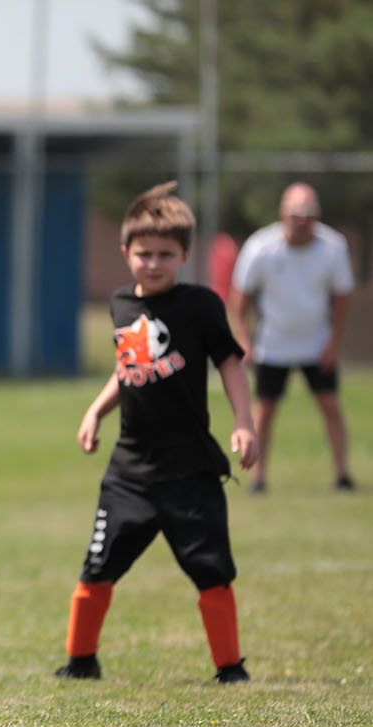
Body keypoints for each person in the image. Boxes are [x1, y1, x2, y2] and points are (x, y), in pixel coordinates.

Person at [55, 181, 258, 685]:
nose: (153, 262)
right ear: (125, 252)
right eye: (144, 253)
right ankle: (81, 661)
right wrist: (95, 411)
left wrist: (245, 422)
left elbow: (231, 363)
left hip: (190, 470)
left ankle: (230, 669)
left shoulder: (201, 306)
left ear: (185, 255)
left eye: (166, 254)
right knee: (97, 567)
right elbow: (129, 367)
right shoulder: (122, 304)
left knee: (211, 569)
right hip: (129, 472)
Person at [227, 182, 356, 493]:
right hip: (274, 342)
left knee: (329, 405)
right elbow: (239, 297)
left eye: (309, 213)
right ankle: (257, 477)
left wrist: (333, 343)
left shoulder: (333, 247)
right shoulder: (261, 247)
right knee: (265, 409)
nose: (303, 220)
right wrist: (244, 340)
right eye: (297, 213)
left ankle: (342, 474)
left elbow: (341, 298)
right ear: (283, 213)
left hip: (316, 340)